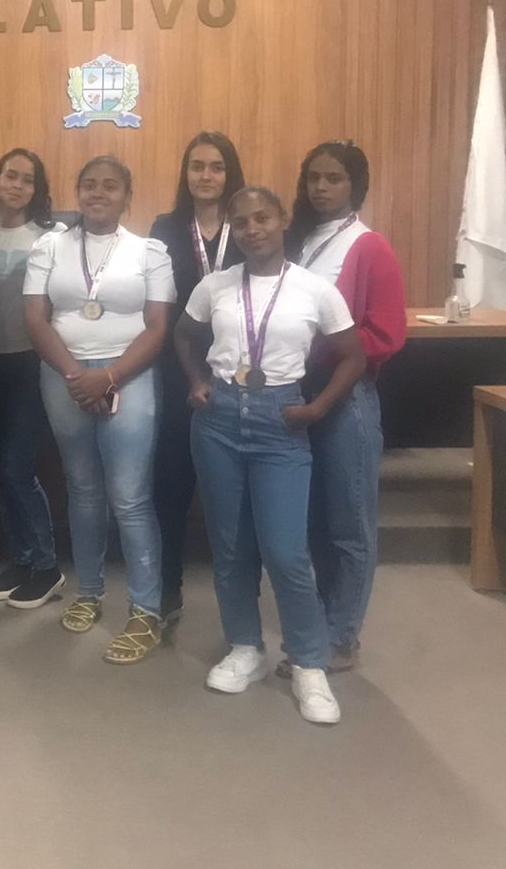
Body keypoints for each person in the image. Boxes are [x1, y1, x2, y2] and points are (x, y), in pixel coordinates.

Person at [174, 186, 366, 724]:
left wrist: (318, 408)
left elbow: (354, 355)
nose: (252, 228)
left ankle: (308, 663)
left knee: (286, 552)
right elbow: (184, 337)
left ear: (283, 220)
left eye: (263, 217)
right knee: (231, 547)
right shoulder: (214, 286)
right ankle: (245, 648)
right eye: (241, 221)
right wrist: (194, 382)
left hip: (282, 420)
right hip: (217, 421)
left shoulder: (313, 289)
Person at [23, 155, 175, 664]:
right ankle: (89, 593)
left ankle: (146, 610)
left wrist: (107, 377)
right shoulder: (49, 246)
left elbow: (157, 327)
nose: (97, 193)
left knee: (130, 496)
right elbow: (35, 317)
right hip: (63, 374)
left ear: (127, 196)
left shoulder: (149, 251)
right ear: (77, 191)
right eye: (88, 185)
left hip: (128, 376)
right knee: (83, 489)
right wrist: (75, 375)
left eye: (110, 186)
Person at [283, 140, 406, 673]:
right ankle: (319, 627)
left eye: (333, 178)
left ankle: (342, 637)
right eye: (313, 177)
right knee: (311, 522)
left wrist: (320, 348)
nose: (321, 187)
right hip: (298, 392)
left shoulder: (368, 246)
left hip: (346, 394)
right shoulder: (301, 242)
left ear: (355, 185)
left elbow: (385, 333)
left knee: (349, 525)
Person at [149, 131, 247, 621]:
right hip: (175, 373)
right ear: (184, 174)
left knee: (235, 492)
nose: (205, 176)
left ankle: (243, 601)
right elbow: (159, 306)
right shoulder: (165, 228)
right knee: (169, 483)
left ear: (230, 174)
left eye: (215, 167)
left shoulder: (250, 225)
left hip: (239, 372)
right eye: (196, 166)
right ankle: (167, 592)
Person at [0, 149, 66, 609]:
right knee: (1, 470)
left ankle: (47, 566)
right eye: (10, 175)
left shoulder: (51, 237)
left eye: (28, 180)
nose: (17, 185)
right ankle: (22, 558)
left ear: (38, 190)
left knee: (17, 467)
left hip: (31, 364)